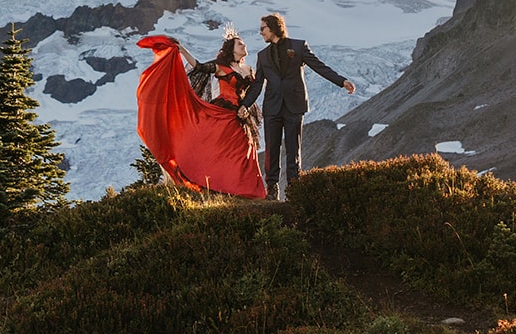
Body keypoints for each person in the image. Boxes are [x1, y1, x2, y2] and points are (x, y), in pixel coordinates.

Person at [134, 28, 266, 198]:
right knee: (217, 150)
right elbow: (199, 66)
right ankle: (216, 185)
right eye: (240, 44)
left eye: (243, 43)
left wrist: (246, 107)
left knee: (245, 149)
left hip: (240, 115)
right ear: (231, 49)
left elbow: (253, 90)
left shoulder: (248, 70)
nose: (244, 45)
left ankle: (245, 190)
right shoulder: (221, 67)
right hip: (222, 112)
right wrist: (181, 49)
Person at [238, 13, 355, 200]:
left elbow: (319, 67)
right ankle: (272, 191)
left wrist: (342, 81)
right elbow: (258, 84)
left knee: (293, 151)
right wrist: (245, 104)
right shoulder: (263, 56)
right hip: (272, 108)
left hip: (294, 106)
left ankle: (294, 191)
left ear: (274, 28)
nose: (260, 33)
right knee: (271, 151)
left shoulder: (298, 47)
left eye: (263, 28)